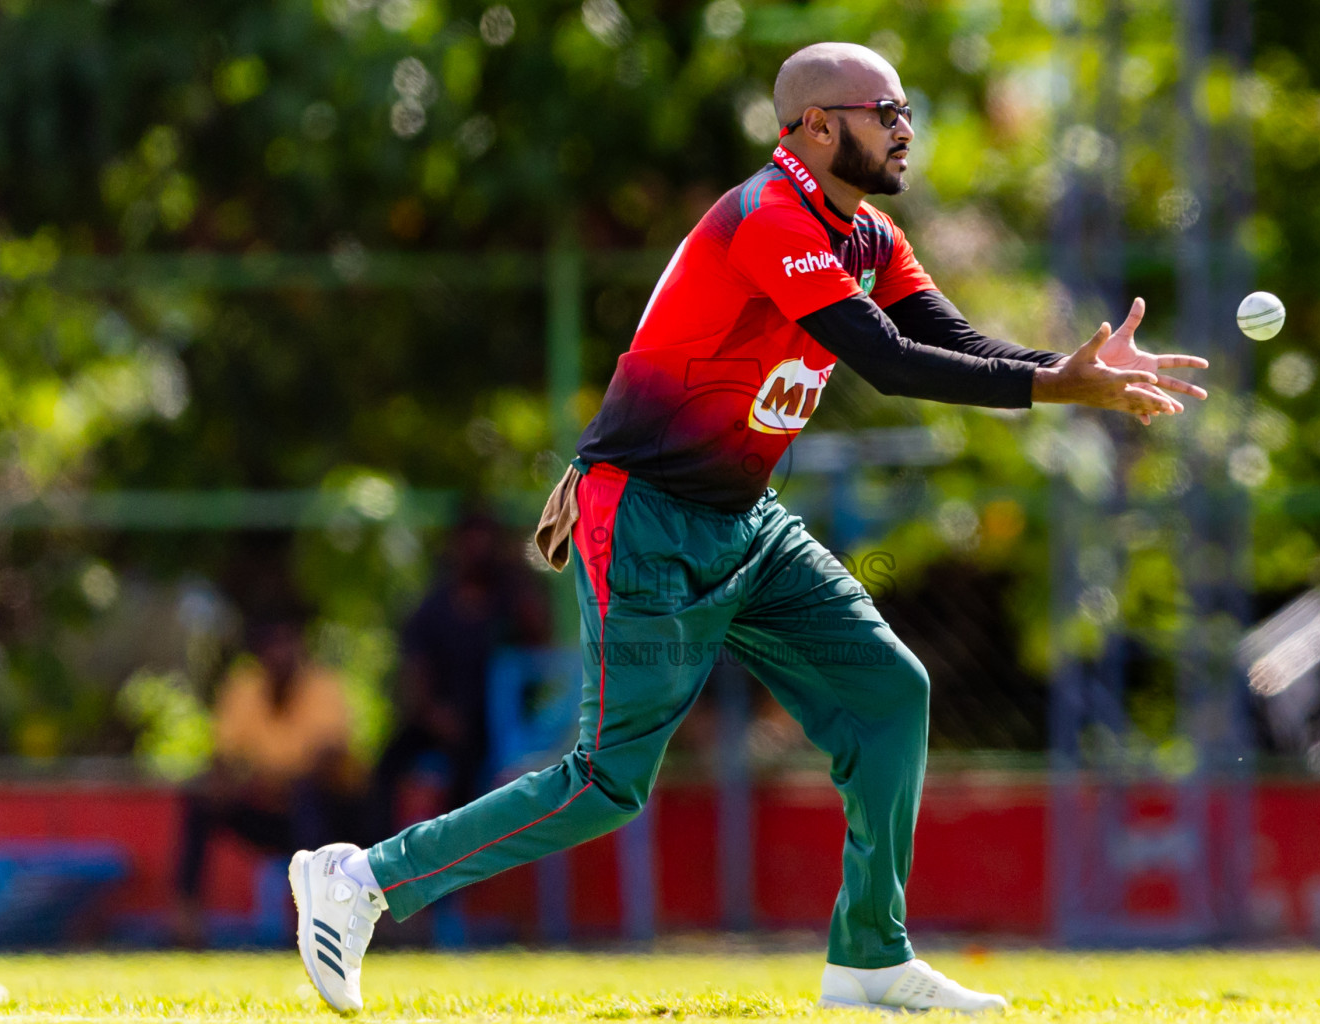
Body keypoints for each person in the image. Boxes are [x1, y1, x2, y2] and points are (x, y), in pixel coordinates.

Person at [289, 41, 1208, 1013]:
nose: (904, 129)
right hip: (645, 515)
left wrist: (1066, 369)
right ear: (814, 127)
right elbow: (886, 360)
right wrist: (1055, 388)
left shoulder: (869, 237)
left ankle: (870, 956)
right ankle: (361, 880)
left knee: (888, 692)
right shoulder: (770, 216)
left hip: (744, 521)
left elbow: (948, 338)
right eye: (883, 112)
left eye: (906, 110)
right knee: (607, 782)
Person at [174, 608, 361, 946]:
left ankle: (316, 922)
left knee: (309, 796)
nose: (280, 654)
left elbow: (330, 762)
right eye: (272, 645)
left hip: (324, 815)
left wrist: (275, 784)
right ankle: (186, 922)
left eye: (287, 643)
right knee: (200, 802)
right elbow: (224, 760)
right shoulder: (244, 687)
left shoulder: (323, 686)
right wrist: (245, 786)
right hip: (263, 807)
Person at [367, 510, 548, 835]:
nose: (477, 548)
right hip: (437, 717)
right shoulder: (434, 606)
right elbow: (416, 669)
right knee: (388, 763)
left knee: (469, 768)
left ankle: (460, 850)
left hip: (491, 722)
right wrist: (433, 714)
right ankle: (374, 847)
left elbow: (538, 647)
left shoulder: (511, 602)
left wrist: (518, 572)